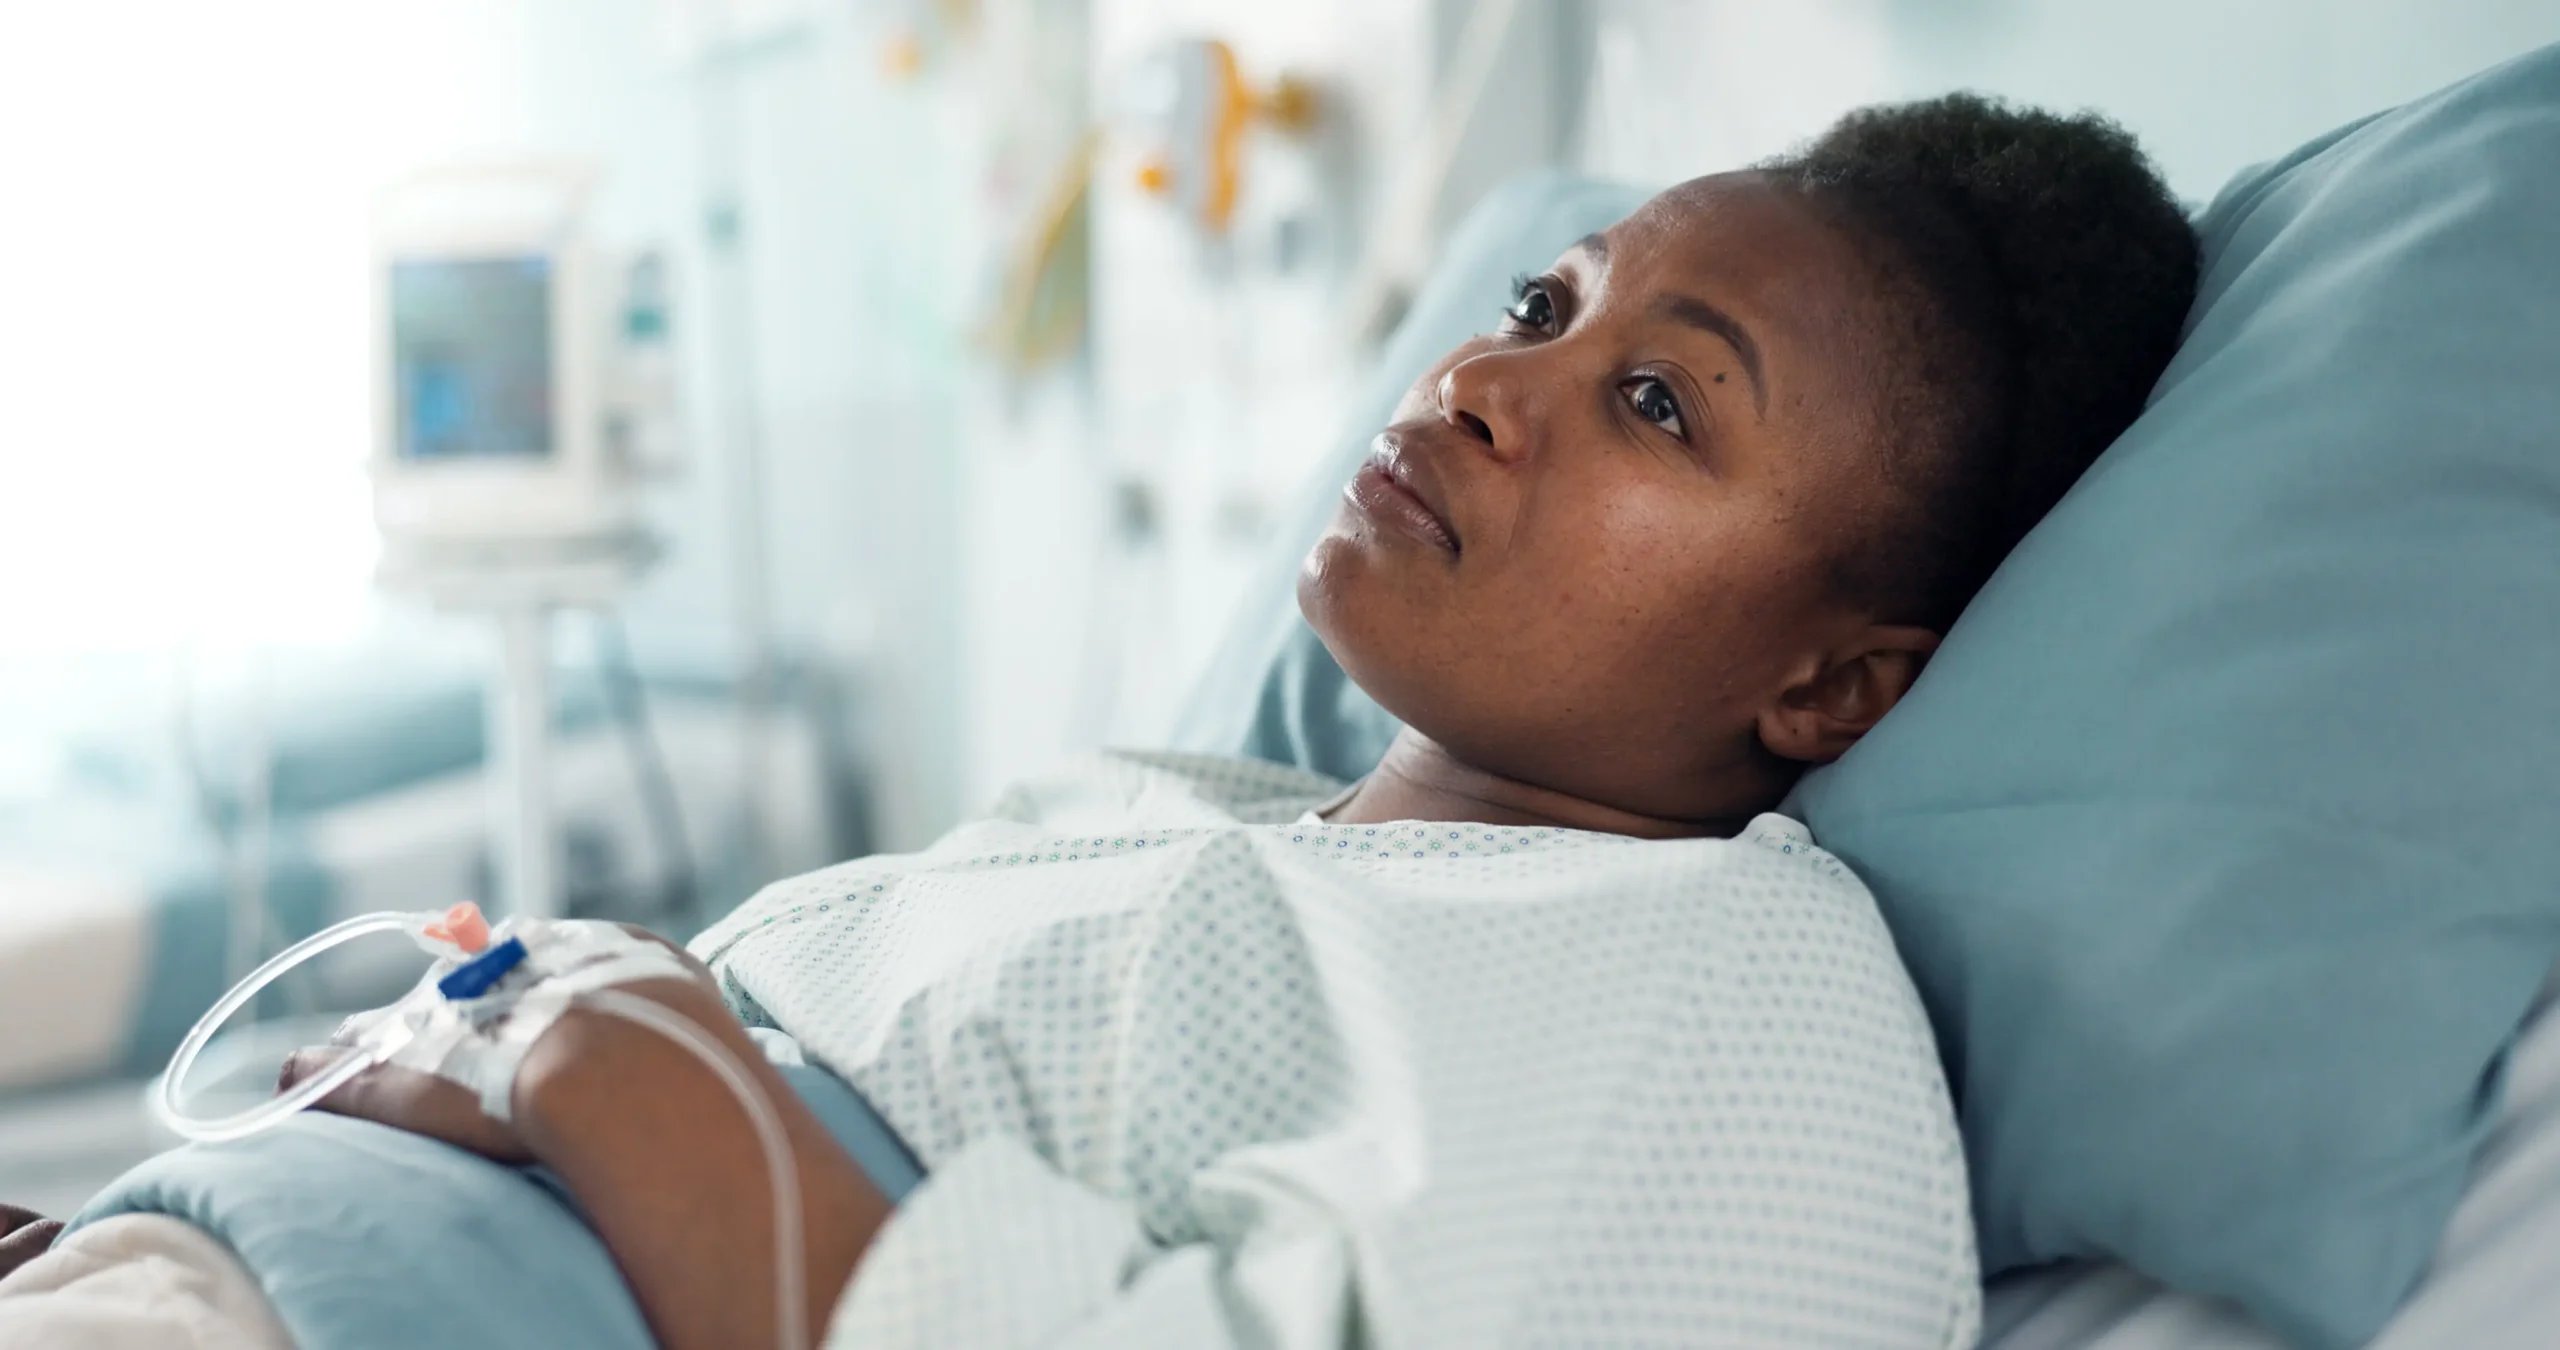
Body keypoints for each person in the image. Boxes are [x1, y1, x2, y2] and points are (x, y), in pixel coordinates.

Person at [0, 93, 2195, 1349]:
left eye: (1649, 400)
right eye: (1540, 301)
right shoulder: (1163, 812)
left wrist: (599, 1058)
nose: (1478, 382)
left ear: (1827, 681)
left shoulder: (1728, 997)